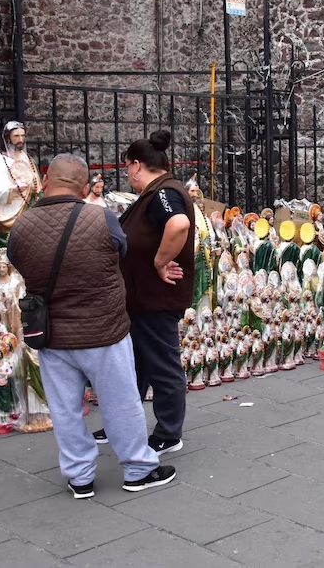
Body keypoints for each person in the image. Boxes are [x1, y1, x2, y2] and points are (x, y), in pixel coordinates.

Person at [8, 154, 175, 497]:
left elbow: (16, 260)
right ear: (85, 188)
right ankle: (138, 469)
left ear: (44, 181)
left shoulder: (21, 226)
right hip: (104, 331)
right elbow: (120, 251)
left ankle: (79, 476)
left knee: (65, 409)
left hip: (53, 334)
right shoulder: (101, 218)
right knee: (121, 402)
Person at [93, 130, 192, 455]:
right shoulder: (155, 193)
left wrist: (161, 261)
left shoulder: (164, 193)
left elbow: (177, 224)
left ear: (137, 165)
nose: (128, 176)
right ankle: (123, 423)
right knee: (134, 366)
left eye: (127, 169)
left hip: (155, 299)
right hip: (141, 299)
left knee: (162, 366)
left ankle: (168, 432)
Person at [0, 121, 42, 249]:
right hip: (7, 212)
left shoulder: (29, 160)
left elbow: (39, 187)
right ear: (8, 138)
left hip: (28, 212)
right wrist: (13, 190)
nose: (20, 139)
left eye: (23, 136)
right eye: (16, 136)